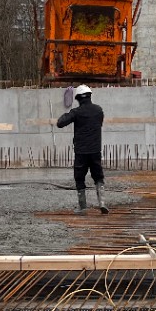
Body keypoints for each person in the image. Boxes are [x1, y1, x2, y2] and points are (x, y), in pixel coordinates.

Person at [57, 84, 109, 214]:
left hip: (81, 152)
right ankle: (102, 203)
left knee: (79, 177)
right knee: (98, 176)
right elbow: (99, 123)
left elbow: (60, 123)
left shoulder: (76, 112)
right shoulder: (99, 110)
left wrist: (68, 113)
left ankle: (83, 207)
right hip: (95, 150)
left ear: (78, 98)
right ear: (90, 96)